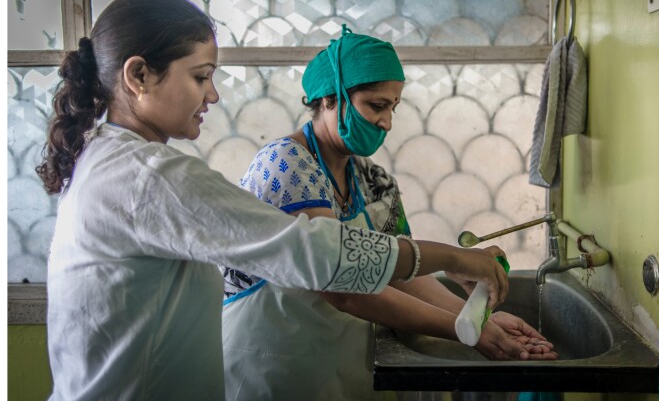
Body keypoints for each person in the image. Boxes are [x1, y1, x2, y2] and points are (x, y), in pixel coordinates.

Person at [35, 0, 510, 401]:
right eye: (201, 77)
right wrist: (455, 261)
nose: (214, 96)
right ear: (138, 76)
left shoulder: (111, 161)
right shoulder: (149, 176)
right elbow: (320, 256)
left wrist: (466, 310)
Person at [221, 26, 558, 401]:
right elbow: (342, 286)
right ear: (330, 99)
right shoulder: (285, 165)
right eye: (376, 105)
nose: (387, 122)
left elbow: (399, 271)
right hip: (272, 365)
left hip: (338, 367)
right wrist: (465, 330)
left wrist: (476, 318)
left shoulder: (372, 179)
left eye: (393, 107)